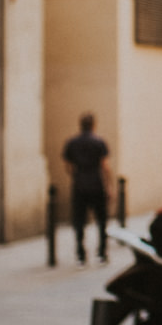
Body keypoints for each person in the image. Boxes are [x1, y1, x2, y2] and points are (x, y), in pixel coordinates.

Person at [60, 113, 112, 265]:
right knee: (101, 220)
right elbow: (105, 167)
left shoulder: (71, 143)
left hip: (80, 186)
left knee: (79, 221)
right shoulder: (99, 142)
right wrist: (109, 186)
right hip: (97, 185)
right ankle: (102, 253)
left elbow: (68, 167)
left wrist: (77, 175)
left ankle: (81, 254)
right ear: (94, 125)